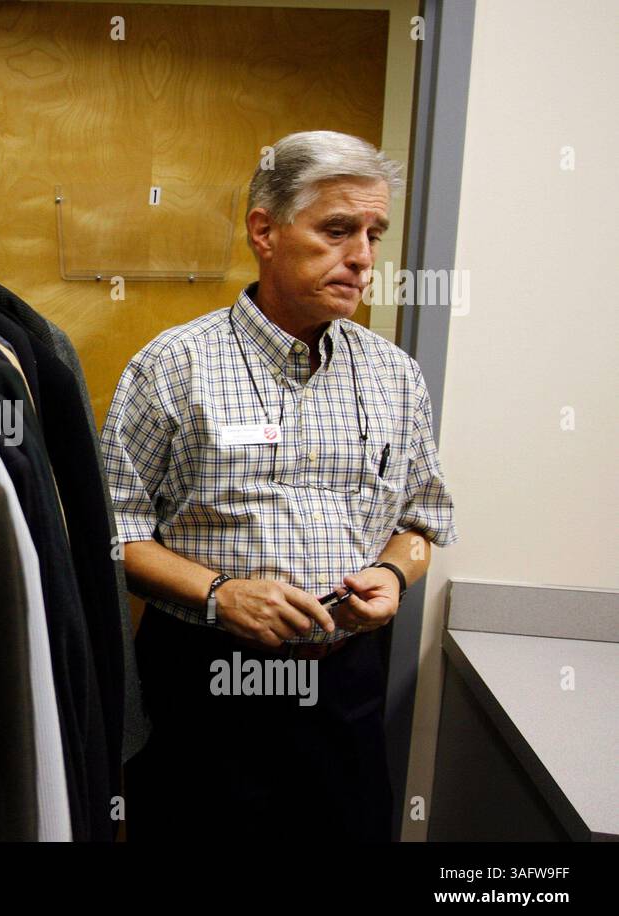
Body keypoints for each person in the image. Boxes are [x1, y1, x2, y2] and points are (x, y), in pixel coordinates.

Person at [100, 130, 458, 842]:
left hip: (344, 690)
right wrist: (218, 593)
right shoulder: (171, 367)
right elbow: (113, 536)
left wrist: (392, 573)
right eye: (336, 229)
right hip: (205, 691)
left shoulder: (395, 376)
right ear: (264, 230)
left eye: (373, 233)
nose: (361, 257)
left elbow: (422, 520)